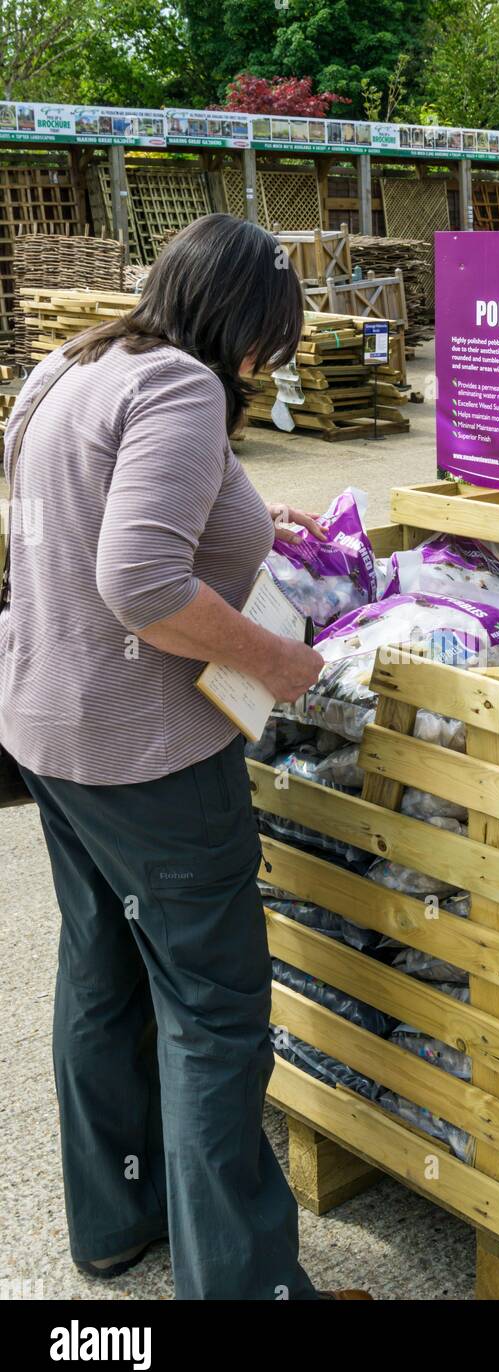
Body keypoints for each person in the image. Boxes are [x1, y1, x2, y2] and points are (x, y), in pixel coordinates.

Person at [0, 214, 370, 1300]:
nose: (268, 363)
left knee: (102, 972)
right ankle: (248, 1290)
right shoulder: (181, 386)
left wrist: (251, 514)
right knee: (214, 1013)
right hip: (148, 754)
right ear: (238, 321)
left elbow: (80, 519)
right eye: (270, 338)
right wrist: (276, 661)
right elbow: (144, 583)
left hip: (47, 729)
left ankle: (119, 1220)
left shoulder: (74, 365)